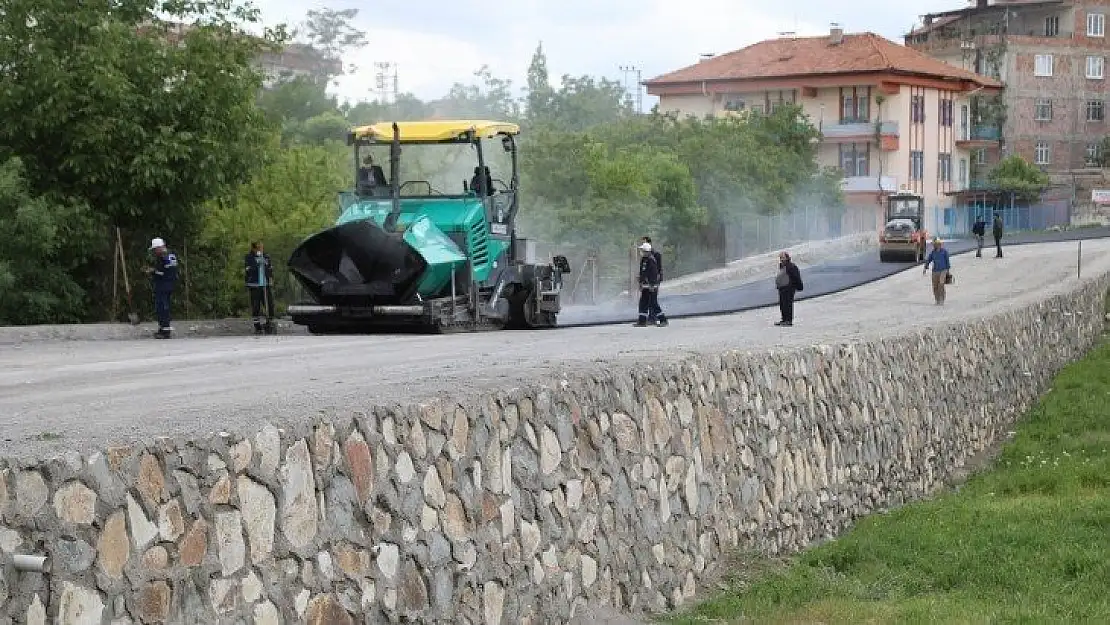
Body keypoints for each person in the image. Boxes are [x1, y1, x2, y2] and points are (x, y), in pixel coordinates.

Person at [144, 237, 178, 339]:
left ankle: (165, 330)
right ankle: (163, 328)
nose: (154, 252)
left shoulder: (162, 256)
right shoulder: (171, 254)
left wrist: (152, 271)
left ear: (159, 248)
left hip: (163, 285)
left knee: (161, 307)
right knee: (164, 306)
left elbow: (162, 272)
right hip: (170, 284)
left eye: (155, 250)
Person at [634, 242, 669, 327]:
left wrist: (652, 285)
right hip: (645, 286)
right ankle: (642, 321)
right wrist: (640, 282)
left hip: (651, 286)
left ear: (646, 251)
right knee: (643, 302)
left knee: (653, 303)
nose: (641, 252)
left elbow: (653, 273)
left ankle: (663, 320)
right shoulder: (644, 260)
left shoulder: (651, 260)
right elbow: (643, 272)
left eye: (642, 250)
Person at [245, 241, 276, 335]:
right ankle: (257, 326)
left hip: (265, 284)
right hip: (255, 285)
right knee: (256, 305)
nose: (261, 249)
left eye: (262, 247)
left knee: (269, 304)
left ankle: (269, 323)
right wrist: (258, 262)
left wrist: (270, 278)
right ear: (254, 248)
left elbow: (270, 269)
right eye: (259, 247)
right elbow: (249, 270)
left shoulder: (266, 256)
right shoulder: (249, 257)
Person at [774, 251, 804, 327]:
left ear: (787, 258)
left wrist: (798, 286)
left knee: (788, 304)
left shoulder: (791, 266)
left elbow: (796, 277)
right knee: (782, 304)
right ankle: (784, 319)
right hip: (782, 288)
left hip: (789, 288)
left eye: (783, 257)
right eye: (780, 258)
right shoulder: (782, 266)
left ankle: (788, 320)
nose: (781, 259)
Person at [922, 237, 951, 305]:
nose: (934, 245)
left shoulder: (944, 252)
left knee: (941, 284)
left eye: (936, 244)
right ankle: (937, 299)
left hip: (943, 270)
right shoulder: (933, 252)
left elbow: (947, 262)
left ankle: (942, 299)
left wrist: (948, 271)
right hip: (935, 271)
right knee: (935, 286)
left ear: (939, 244)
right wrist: (925, 268)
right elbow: (928, 260)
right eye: (934, 244)